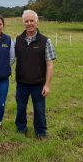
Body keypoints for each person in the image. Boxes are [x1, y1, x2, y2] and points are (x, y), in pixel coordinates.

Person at [15, 10, 56, 139]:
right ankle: (21, 129)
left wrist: (47, 85)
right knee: (21, 108)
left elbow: (50, 65)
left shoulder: (45, 41)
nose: (29, 23)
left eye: (31, 20)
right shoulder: (18, 40)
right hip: (21, 83)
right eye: (26, 21)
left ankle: (41, 131)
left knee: (39, 109)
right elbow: (11, 59)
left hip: (38, 84)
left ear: (36, 21)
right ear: (23, 23)